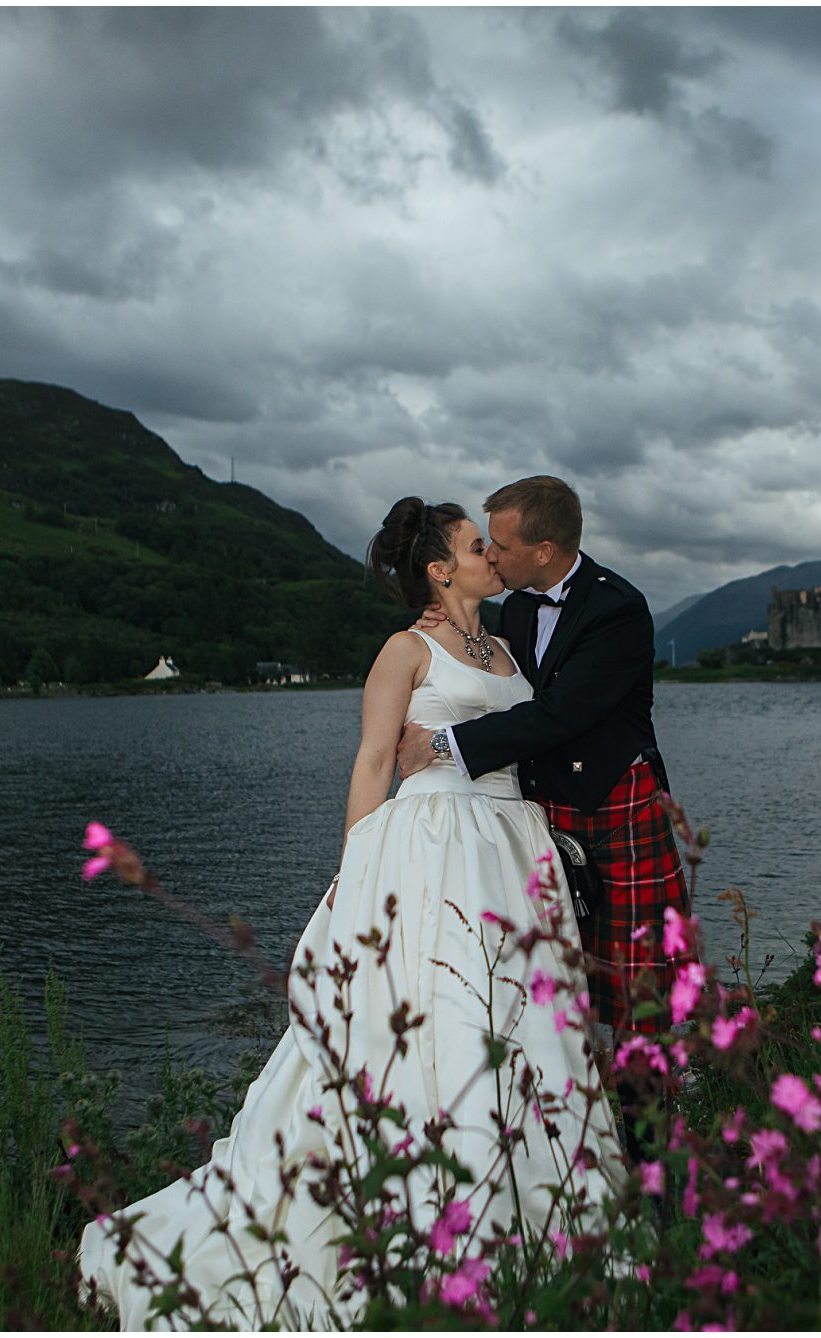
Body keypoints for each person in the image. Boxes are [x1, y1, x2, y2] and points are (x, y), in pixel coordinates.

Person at [79, 497, 619, 1331]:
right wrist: (355, 874)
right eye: (478, 546)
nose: (491, 556)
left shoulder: (510, 647)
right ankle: (445, 1215)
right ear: (440, 569)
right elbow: (372, 764)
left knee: (527, 1025)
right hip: (436, 847)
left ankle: (545, 1214)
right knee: (442, 1021)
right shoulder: (404, 651)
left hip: (515, 848)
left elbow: (540, 732)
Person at [396, 477, 693, 1130]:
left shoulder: (619, 611)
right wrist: (441, 615)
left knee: (641, 1004)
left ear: (546, 548)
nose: (492, 555)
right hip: (544, 821)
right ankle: (573, 1141)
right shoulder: (521, 610)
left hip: (617, 812)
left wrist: (443, 742)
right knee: (558, 996)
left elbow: (557, 716)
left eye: (500, 545)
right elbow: (493, 674)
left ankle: (651, 1167)